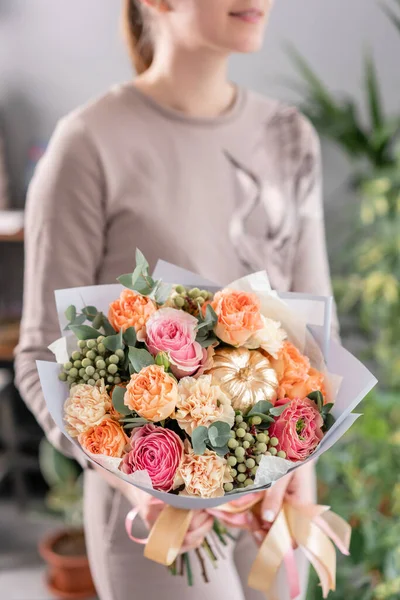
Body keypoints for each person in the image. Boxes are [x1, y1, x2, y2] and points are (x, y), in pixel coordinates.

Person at [15, 1, 338, 598]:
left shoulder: (289, 137)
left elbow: (317, 337)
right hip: (160, 518)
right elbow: (39, 353)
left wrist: (302, 467)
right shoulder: (88, 143)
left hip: (274, 497)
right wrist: (137, 482)